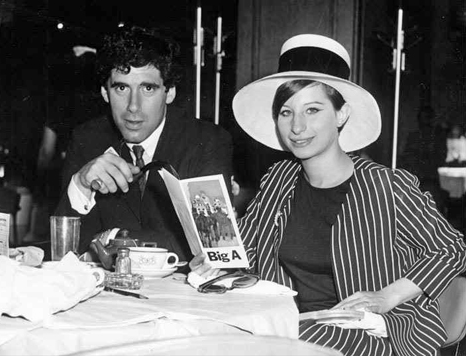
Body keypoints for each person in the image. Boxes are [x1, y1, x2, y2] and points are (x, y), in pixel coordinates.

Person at [189, 34, 466, 356]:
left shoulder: (387, 186)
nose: (297, 126)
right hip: (292, 321)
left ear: (341, 115)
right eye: (286, 112)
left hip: (371, 332)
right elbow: (248, 249)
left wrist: (386, 296)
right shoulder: (279, 179)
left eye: (313, 110)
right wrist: (219, 264)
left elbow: (451, 249)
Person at [54, 26, 233, 262]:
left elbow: (213, 244)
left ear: (169, 93)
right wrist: (81, 185)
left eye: (148, 88)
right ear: (105, 93)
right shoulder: (87, 139)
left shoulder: (208, 140)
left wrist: (112, 239)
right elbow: (66, 252)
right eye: (121, 88)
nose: (133, 107)